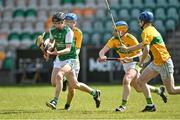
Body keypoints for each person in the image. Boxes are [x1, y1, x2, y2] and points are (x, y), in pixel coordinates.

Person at [98, 20, 167, 112]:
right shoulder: (113, 40)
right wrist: (102, 56)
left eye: (115, 30)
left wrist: (130, 59)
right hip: (125, 65)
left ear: (121, 31)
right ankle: (158, 91)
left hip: (135, 63)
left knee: (126, 79)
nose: (113, 32)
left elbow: (141, 55)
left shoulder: (131, 38)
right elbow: (102, 51)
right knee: (139, 88)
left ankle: (123, 106)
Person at [120, 11, 180, 112]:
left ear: (143, 21)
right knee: (141, 81)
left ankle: (151, 104)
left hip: (164, 62)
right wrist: (127, 49)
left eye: (140, 21)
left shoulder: (145, 32)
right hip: (156, 62)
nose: (139, 23)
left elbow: (146, 50)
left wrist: (140, 63)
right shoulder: (151, 29)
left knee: (171, 90)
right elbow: (143, 44)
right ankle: (150, 105)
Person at [43, 11, 100, 110]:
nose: (57, 25)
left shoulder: (69, 32)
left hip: (71, 58)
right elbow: (52, 42)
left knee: (62, 77)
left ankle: (55, 101)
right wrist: (48, 49)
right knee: (59, 83)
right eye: (55, 23)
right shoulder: (53, 30)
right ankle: (94, 93)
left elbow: (68, 49)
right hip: (60, 58)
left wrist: (55, 53)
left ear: (63, 22)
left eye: (58, 23)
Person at [62, 13, 83, 110]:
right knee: (58, 74)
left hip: (73, 59)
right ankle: (64, 79)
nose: (69, 24)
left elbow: (78, 48)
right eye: (67, 22)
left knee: (72, 87)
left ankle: (68, 104)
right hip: (63, 58)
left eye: (71, 22)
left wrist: (73, 56)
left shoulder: (78, 33)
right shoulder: (61, 31)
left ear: (75, 23)